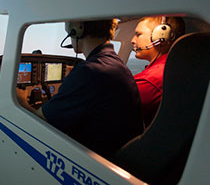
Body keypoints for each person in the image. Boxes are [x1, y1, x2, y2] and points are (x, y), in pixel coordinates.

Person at [17, 19, 143, 157]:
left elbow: (41, 122)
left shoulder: (90, 71)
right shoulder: (116, 63)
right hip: (117, 154)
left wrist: (21, 100)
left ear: (77, 29)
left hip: (97, 162)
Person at [131, 16, 185, 128]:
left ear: (161, 36)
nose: (133, 40)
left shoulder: (150, 80)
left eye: (138, 34)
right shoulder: (172, 66)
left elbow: (109, 112)